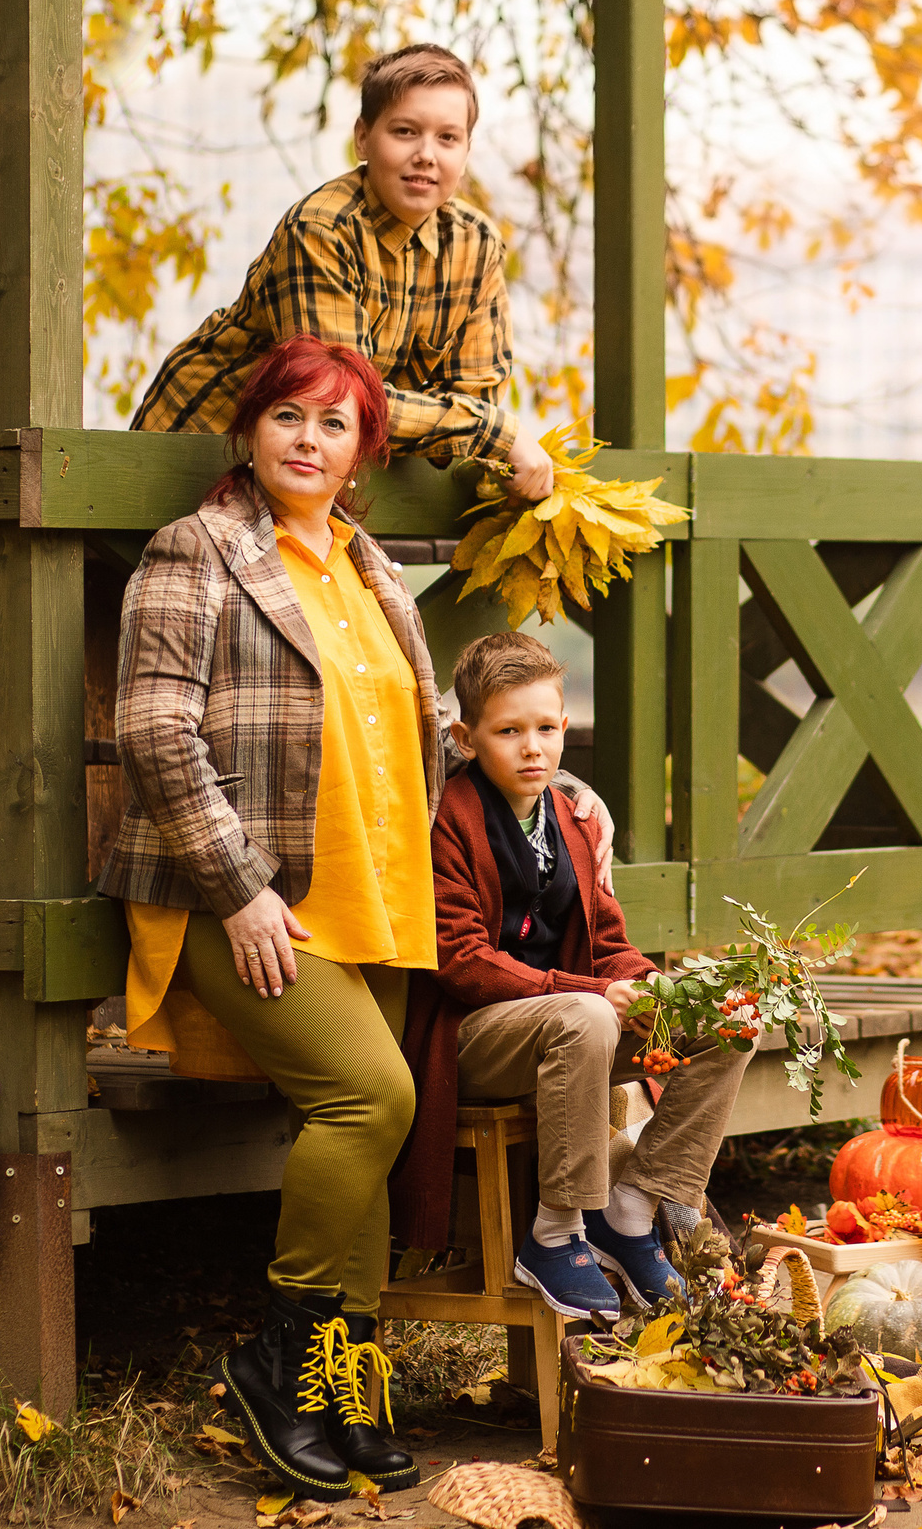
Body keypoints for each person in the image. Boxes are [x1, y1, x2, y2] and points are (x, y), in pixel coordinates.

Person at [99, 338, 609, 1500]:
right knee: (367, 1096)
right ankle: (277, 1366)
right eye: (289, 416)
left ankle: (345, 1377)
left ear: (361, 449)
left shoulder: (367, 566)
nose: (308, 441)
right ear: (250, 431)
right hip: (242, 899)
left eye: (335, 426)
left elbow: (416, 728)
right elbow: (154, 732)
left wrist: (544, 788)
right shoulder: (199, 550)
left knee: (381, 1122)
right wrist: (238, 887)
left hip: (370, 897)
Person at [416, 633, 753, 1320]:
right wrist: (592, 992)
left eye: (545, 727)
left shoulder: (572, 816)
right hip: (475, 1035)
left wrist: (652, 984)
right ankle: (554, 1230)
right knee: (590, 1014)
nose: (532, 747)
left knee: (729, 1018)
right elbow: (461, 960)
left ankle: (631, 1206)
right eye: (508, 730)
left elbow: (608, 943)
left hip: (572, 1022)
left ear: (565, 727)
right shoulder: (448, 817)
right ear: (466, 735)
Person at [128, 43, 557, 505]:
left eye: (447, 138)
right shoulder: (322, 230)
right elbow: (340, 400)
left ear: (467, 150)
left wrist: (478, 430)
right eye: (405, 131)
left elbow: (474, 394)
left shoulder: (476, 244)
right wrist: (492, 432)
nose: (426, 155)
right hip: (190, 462)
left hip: (314, 480)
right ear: (362, 138)